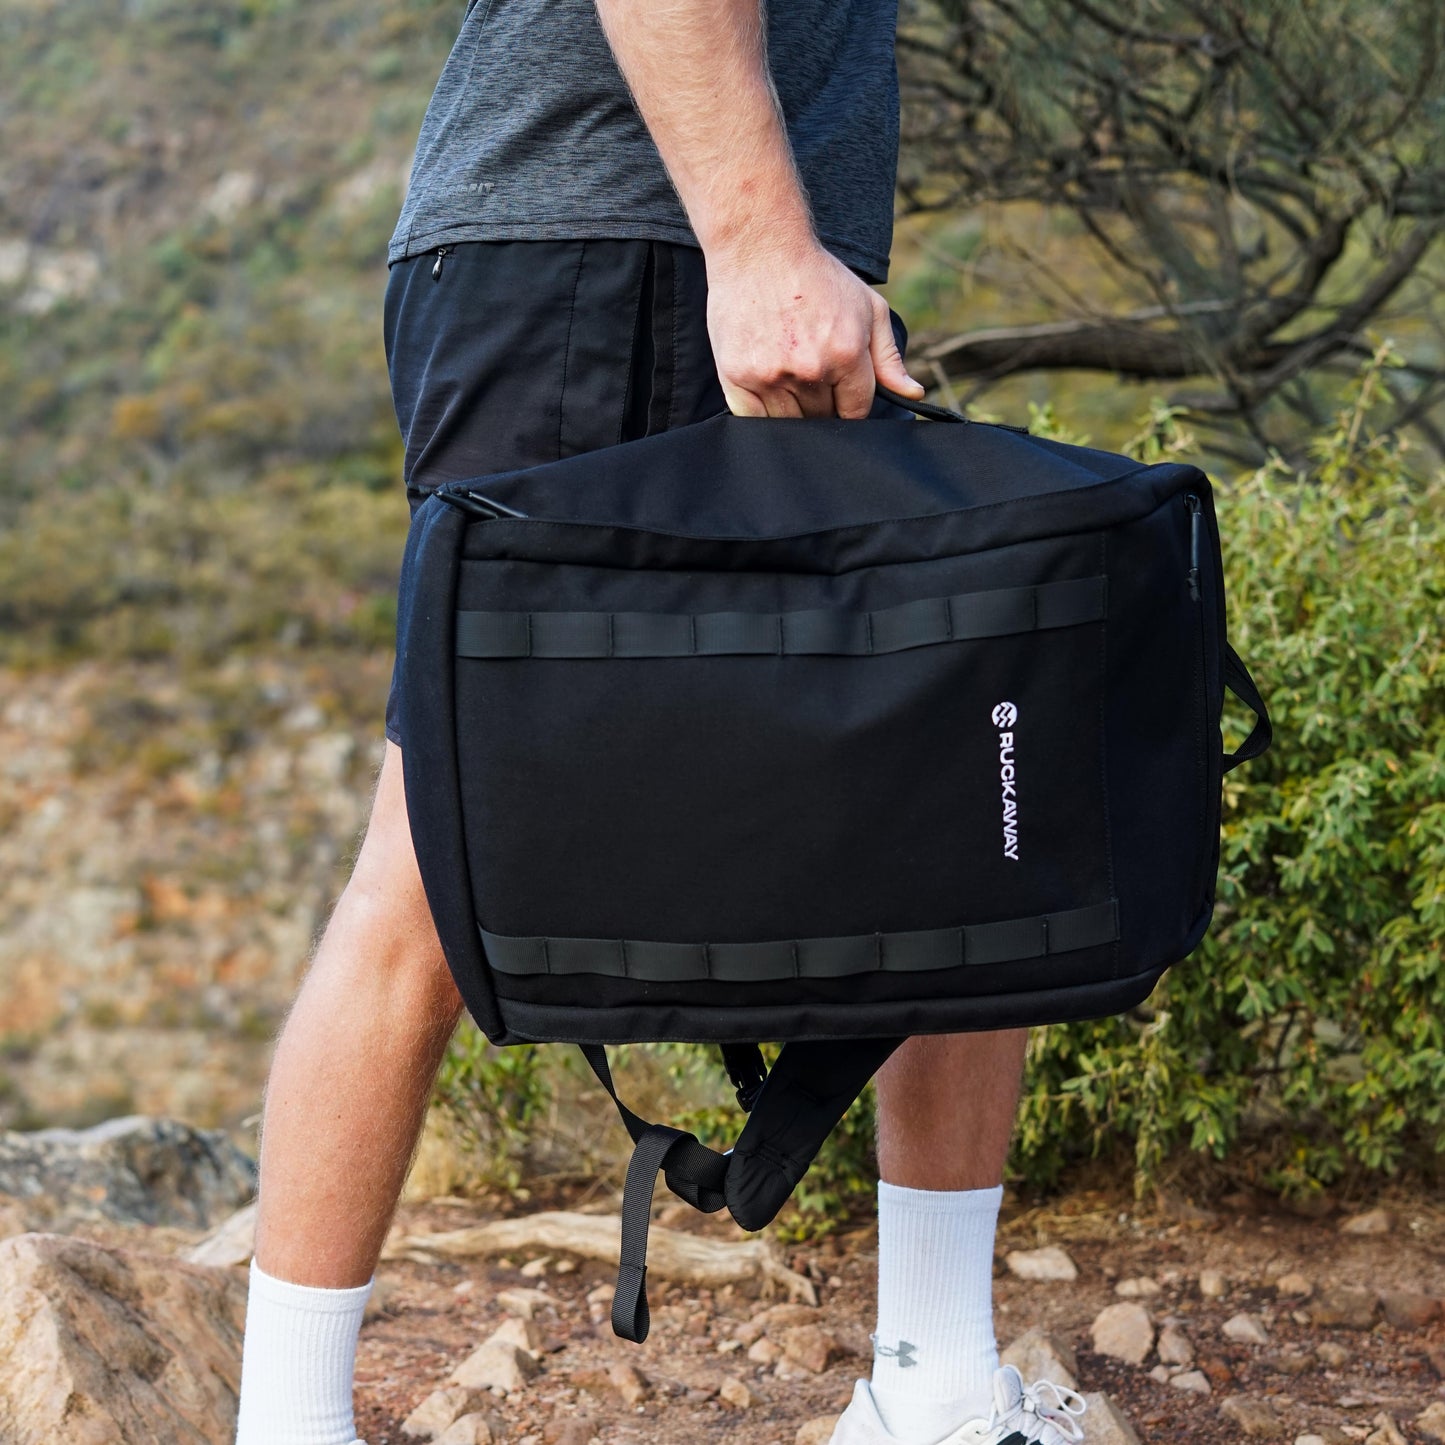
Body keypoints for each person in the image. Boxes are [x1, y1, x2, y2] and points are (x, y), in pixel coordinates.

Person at [234, 3, 1085, 1444]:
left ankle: (933, 1385)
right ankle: (288, 1426)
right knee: (444, 853)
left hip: (722, 258)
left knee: (958, 806)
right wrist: (753, 249)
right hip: (626, 252)